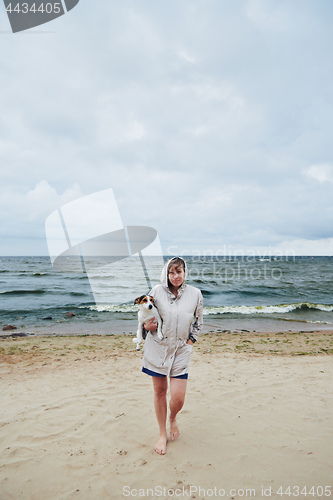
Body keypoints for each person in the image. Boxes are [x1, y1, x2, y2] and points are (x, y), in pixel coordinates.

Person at [141, 257, 203, 455]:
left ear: (185, 273)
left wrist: (191, 341)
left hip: (181, 349)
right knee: (160, 392)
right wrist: (146, 327)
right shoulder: (156, 292)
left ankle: (173, 418)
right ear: (166, 274)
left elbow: (198, 321)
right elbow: (145, 314)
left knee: (178, 397)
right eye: (172, 272)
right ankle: (162, 434)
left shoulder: (195, 294)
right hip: (158, 347)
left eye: (179, 272)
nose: (176, 276)